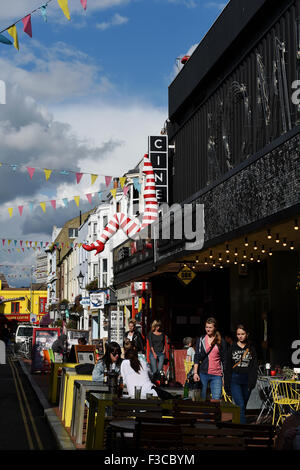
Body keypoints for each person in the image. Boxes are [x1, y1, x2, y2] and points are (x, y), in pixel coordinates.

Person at [224, 324, 258, 424]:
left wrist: (253, 382)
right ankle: (242, 431)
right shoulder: (232, 348)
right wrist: (227, 384)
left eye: (242, 334)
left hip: (247, 380)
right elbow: (228, 367)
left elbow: (254, 367)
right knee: (240, 405)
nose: (240, 336)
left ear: (247, 334)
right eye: (238, 334)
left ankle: (237, 426)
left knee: (243, 407)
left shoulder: (251, 348)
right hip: (235, 379)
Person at [193, 317, 227, 401]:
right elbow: (197, 356)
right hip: (203, 373)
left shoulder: (221, 341)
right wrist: (195, 373)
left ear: (215, 328)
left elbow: (224, 360)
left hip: (217, 375)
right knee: (202, 400)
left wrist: (224, 377)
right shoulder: (201, 340)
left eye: (210, 327)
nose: (208, 329)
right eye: (206, 327)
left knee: (216, 400)